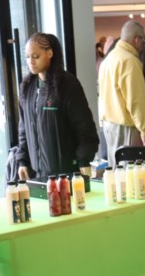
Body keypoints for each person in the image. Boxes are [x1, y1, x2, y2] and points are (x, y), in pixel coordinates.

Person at [15, 32, 99, 182]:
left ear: (50, 53)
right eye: (27, 57)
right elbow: (23, 130)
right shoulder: (27, 88)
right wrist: (22, 161)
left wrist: (83, 161)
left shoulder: (67, 85)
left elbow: (85, 129)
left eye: (35, 56)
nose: (30, 61)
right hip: (36, 175)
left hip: (66, 174)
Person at [98, 21, 145, 169]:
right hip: (125, 127)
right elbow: (136, 101)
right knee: (130, 175)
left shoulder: (109, 59)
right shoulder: (129, 61)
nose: (143, 46)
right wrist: (144, 131)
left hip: (109, 126)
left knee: (116, 172)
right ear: (137, 39)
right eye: (143, 41)